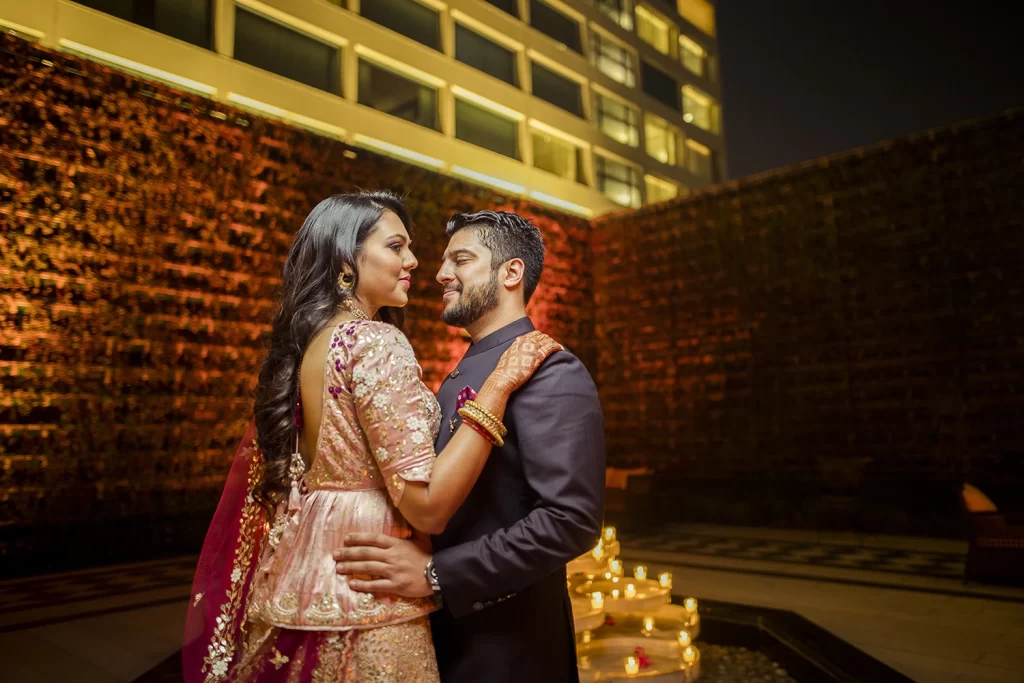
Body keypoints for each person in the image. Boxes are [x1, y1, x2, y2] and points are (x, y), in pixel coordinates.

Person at [182, 193, 562, 682]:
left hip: (311, 570)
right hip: (373, 583)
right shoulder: (374, 341)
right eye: (397, 246)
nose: (415, 262)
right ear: (347, 259)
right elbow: (427, 507)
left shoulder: (317, 341)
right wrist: (499, 386)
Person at [336, 210, 606, 682]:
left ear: (511, 272)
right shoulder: (465, 369)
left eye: (460, 260)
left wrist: (439, 575)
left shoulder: (548, 368)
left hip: (508, 651)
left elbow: (571, 521)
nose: (440, 274)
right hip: (444, 638)